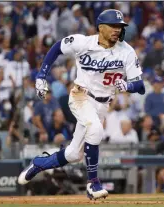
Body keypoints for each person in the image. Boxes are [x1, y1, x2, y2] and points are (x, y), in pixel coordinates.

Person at [18, 9, 145, 200]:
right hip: (81, 95)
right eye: (113, 26)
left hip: (102, 105)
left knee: (73, 154)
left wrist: (128, 85)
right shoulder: (83, 42)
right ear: (100, 28)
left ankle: (40, 163)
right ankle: (93, 184)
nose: (117, 30)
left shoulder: (126, 51)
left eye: (120, 26)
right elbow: (57, 47)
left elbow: (141, 86)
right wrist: (41, 76)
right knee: (95, 129)